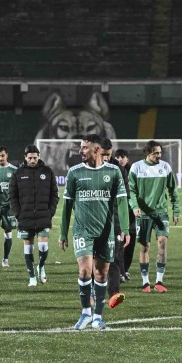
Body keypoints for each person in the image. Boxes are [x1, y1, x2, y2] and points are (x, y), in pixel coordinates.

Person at [59, 134, 130, 330]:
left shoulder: (114, 172)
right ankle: (85, 313)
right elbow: (67, 205)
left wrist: (125, 228)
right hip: (82, 230)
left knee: (101, 273)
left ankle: (98, 316)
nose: (80, 150)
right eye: (80, 147)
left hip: (105, 232)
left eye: (84, 147)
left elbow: (122, 201)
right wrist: (63, 232)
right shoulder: (74, 172)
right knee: (84, 270)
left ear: (97, 150)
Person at [128, 140, 180, 292]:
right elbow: (132, 191)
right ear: (148, 153)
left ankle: (159, 281)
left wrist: (176, 210)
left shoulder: (165, 167)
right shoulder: (136, 167)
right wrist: (135, 206)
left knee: (162, 244)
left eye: (160, 153)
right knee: (145, 247)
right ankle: (145, 282)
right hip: (143, 214)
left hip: (161, 213)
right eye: (155, 153)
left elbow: (173, 190)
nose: (159, 155)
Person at [9, 144, 59, 287]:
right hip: (25, 217)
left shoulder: (47, 172)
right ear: (25, 157)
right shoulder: (18, 173)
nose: (32, 160)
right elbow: (12, 196)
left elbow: (54, 194)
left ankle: (41, 266)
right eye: (30, 158)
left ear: (39, 157)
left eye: (35, 158)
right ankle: (31, 277)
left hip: (43, 216)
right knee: (28, 248)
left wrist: (50, 212)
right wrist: (18, 213)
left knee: (43, 247)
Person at [100, 140, 127, 308]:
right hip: (95, 221)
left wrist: (124, 227)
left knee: (114, 258)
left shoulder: (119, 170)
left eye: (108, 155)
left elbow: (124, 198)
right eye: (103, 154)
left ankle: (114, 293)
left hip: (114, 221)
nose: (105, 158)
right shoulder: (90, 169)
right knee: (95, 259)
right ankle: (95, 293)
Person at [0, 146, 18, 268]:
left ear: (7, 155)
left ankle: (5, 259)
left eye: (2, 156)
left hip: (9, 207)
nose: (0, 158)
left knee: (8, 232)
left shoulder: (14, 170)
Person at [113, 148, 136, 281]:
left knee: (130, 244)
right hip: (120, 212)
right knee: (119, 244)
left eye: (122, 157)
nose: (120, 159)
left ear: (127, 158)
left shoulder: (133, 171)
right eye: (117, 157)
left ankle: (125, 269)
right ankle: (120, 272)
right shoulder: (114, 170)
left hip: (132, 213)